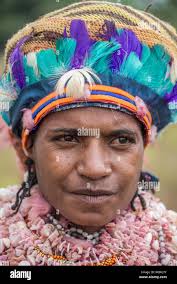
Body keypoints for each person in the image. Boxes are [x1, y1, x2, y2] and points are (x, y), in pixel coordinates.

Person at [0, 1, 177, 266]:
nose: (94, 169)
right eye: (67, 138)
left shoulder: (169, 247)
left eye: (121, 140)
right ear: (26, 145)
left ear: (144, 144)